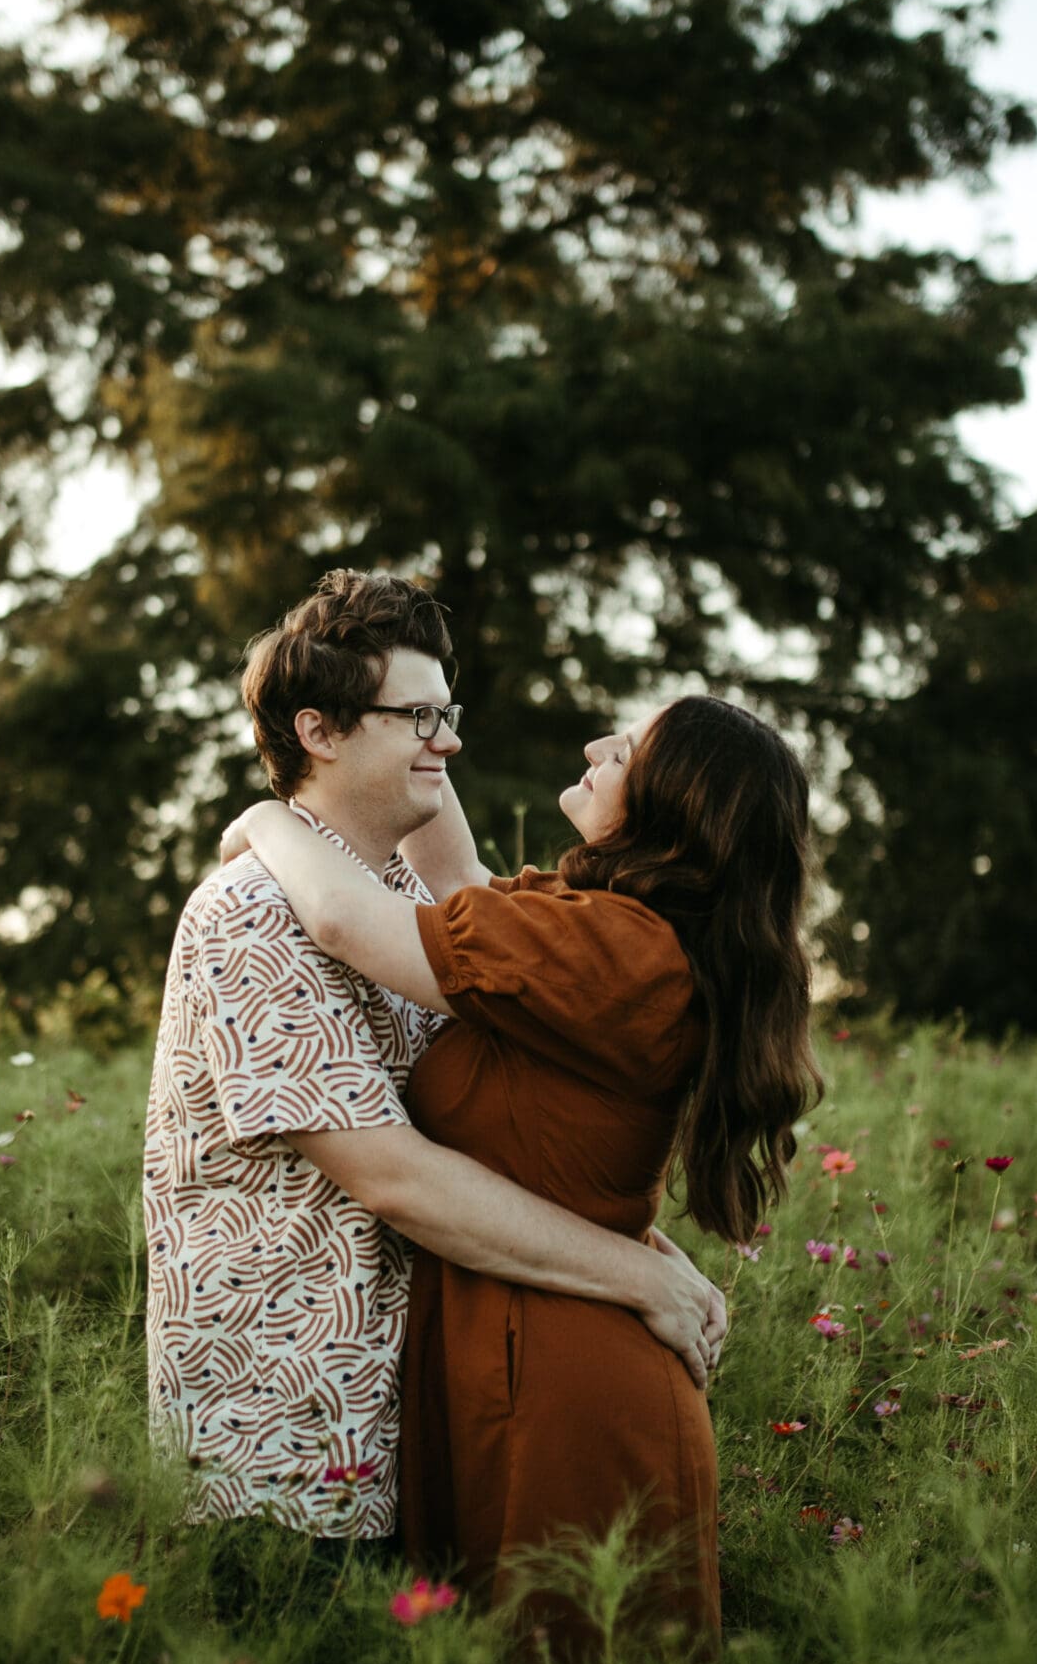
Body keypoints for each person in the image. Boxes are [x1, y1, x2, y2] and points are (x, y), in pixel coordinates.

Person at [142, 570, 725, 1550]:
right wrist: (639, 1272)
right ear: (321, 730)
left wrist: (653, 1248)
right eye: (417, 717)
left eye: (447, 714)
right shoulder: (254, 913)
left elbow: (488, 1136)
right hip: (285, 1458)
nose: (448, 741)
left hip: (411, 1438)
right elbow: (395, 1177)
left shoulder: (400, 914)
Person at [224, 693, 821, 1641]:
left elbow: (344, 919)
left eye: (621, 752)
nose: (595, 747)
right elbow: (453, 869)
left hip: (566, 1387)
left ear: (670, 805)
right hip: (525, 1348)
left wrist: (267, 815)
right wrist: (414, 718)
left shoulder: (613, 950)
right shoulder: (608, 927)